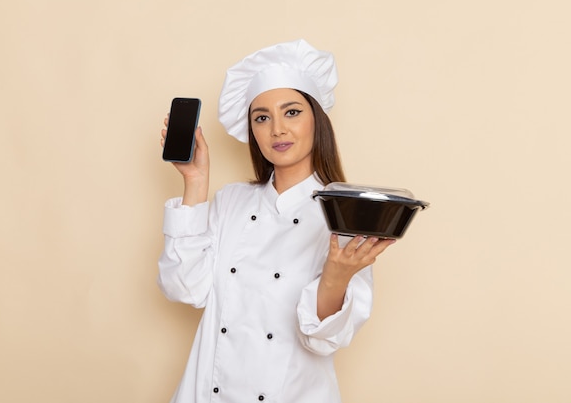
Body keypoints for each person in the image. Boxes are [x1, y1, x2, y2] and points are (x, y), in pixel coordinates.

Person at [157, 39, 395, 403]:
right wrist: (194, 181)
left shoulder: (344, 213)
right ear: (252, 130)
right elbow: (184, 288)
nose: (277, 130)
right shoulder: (232, 201)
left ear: (318, 119)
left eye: (292, 112)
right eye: (262, 117)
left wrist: (336, 274)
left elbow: (323, 338)